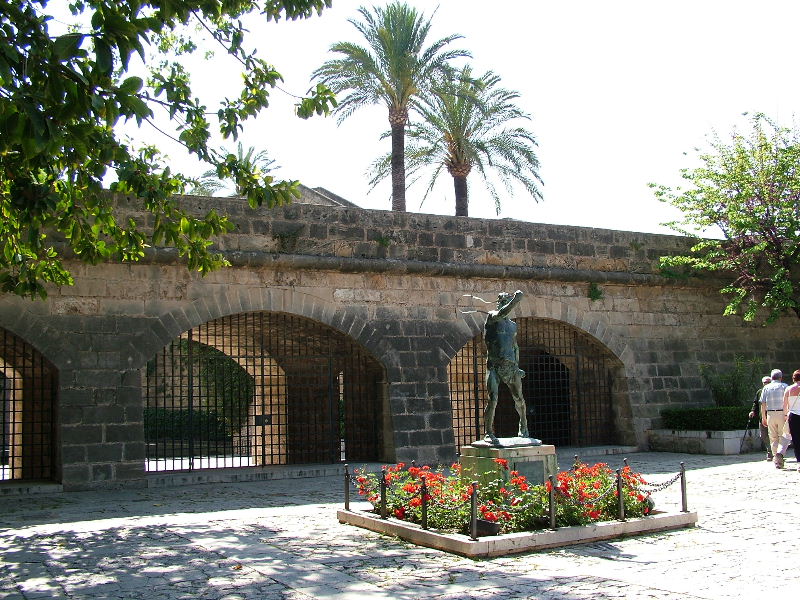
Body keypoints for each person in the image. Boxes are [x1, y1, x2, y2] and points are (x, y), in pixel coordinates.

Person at [482, 290, 540, 445]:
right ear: (499, 303)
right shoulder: (492, 317)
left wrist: (517, 366)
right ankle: (488, 432)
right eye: (503, 301)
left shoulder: (513, 325)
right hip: (494, 366)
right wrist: (516, 300)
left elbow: (515, 347)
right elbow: (502, 313)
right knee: (493, 399)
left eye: (507, 301)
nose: (505, 304)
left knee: (519, 398)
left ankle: (524, 428)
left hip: (511, 367)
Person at [760, 369, 788, 467]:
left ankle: (776, 458)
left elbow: (763, 403)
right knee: (783, 436)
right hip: (782, 413)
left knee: (773, 437)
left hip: (770, 414)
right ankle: (780, 455)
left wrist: (763, 417)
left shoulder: (766, 387)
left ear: (772, 378)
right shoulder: (784, 386)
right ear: (781, 377)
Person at [778, 370, 800, 471]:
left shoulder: (789, 389)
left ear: (793, 378)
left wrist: (785, 416)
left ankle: (799, 462)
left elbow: (785, 405)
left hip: (793, 416)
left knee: (796, 440)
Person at [749, 376, 772, 460]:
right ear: (763, 383)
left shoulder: (773, 391)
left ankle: (771, 453)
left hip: (772, 416)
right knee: (763, 435)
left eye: (768, 382)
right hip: (762, 417)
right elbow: (755, 403)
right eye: (765, 382)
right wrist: (752, 411)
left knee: (773, 435)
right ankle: (770, 450)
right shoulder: (759, 392)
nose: (766, 384)